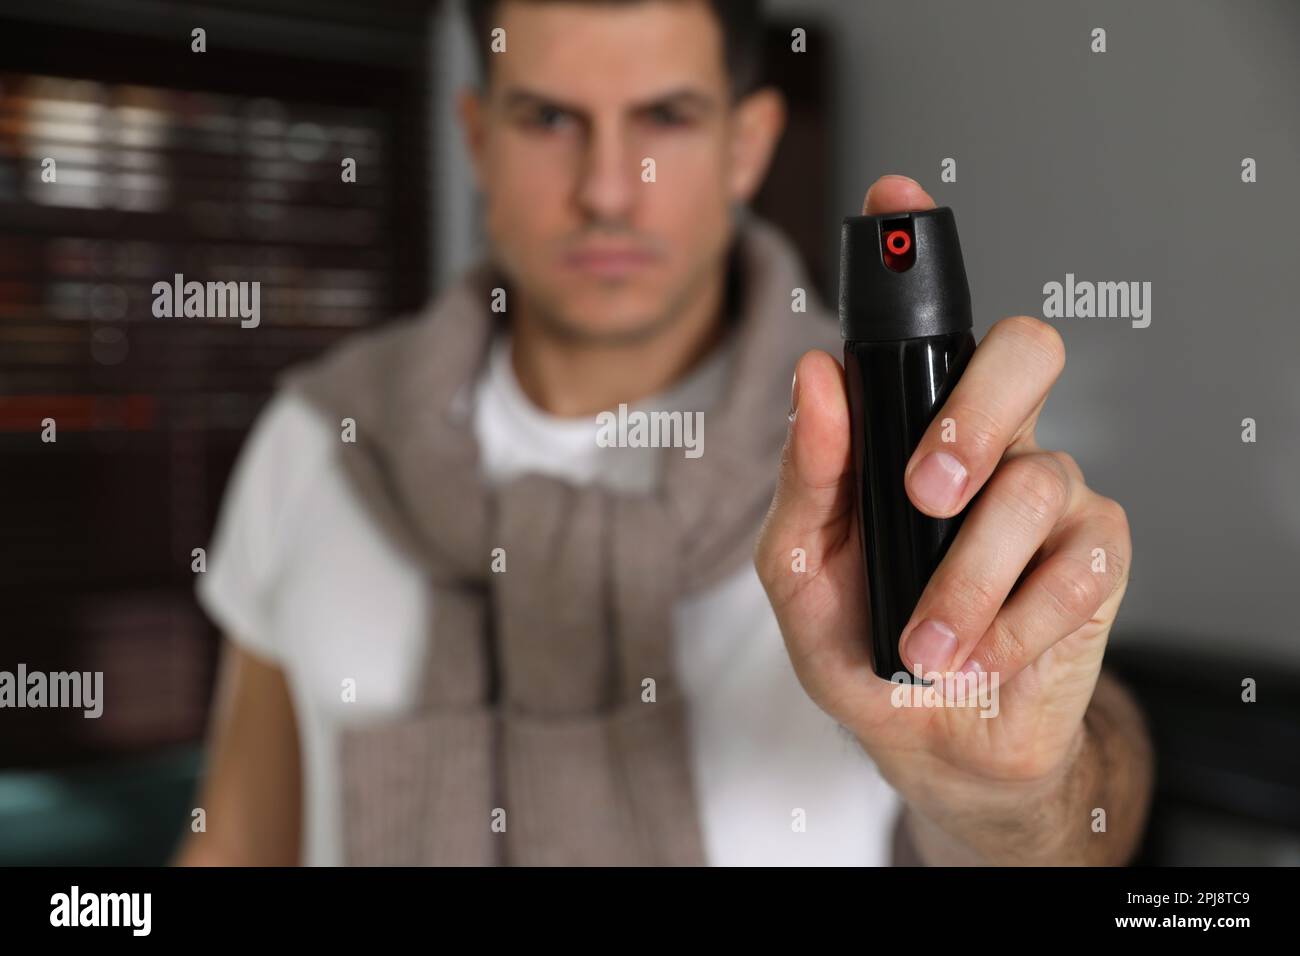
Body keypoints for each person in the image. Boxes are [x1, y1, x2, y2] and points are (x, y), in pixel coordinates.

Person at [176, 0, 1153, 866]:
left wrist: (1016, 794)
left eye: (665, 117)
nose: (607, 188)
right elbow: (239, 842)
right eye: (549, 116)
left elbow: (1078, 819)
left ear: (748, 142)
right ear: (477, 137)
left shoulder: (911, 447)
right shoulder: (314, 437)